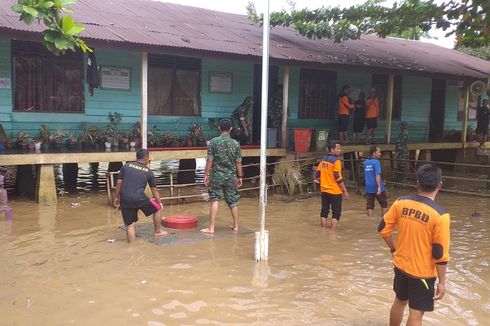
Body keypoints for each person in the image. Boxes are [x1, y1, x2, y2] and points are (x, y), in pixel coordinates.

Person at [378, 164, 450, 326]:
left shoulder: (400, 203)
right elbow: (439, 253)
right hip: (422, 274)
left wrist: (393, 248)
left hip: (401, 266)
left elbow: (383, 229)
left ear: (417, 183)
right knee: (416, 314)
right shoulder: (440, 215)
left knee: (399, 302)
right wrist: (442, 282)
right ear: (440, 184)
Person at [113, 149, 166, 243]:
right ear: (146, 158)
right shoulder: (148, 171)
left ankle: (131, 249)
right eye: (149, 158)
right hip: (139, 198)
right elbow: (155, 191)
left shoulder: (126, 166)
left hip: (125, 198)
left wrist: (116, 197)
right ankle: (157, 231)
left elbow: (118, 183)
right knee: (157, 208)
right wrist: (160, 203)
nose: (149, 160)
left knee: (130, 225)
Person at [201, 118, 243, 234]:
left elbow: (210, 160)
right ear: (231, 129)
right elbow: (238, 162)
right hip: (231, 177)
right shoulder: (235, 144)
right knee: (233, 201)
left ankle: (211, 228)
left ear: (219, 128)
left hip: (217, 176)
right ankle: (235, 226)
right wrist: (240, 177)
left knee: (215, 199)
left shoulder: (213, 142)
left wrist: (206, 175)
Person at [314, 141, 349, 230]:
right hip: (335, 192)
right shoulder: (336, 161)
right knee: (336, 213)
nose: (340, 150)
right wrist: (344, 190)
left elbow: (317, 174)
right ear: (332, 149)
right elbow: (337, 177)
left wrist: (319, 181)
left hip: (324, 191)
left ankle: (323, 231)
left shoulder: (322, 161)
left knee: (324, 212)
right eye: (338, 148)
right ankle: (332, 233)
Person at [364, 145, 388, 218]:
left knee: (369, 204)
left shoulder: (366, 162)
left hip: (368, 186)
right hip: (377, 186)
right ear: (374, 153)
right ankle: (384, 218)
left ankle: (369, 218)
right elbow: (377, 175)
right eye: (379, 152)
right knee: (383, 203)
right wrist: (379, 187)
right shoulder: (376, 162)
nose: (380, 154)